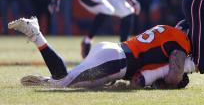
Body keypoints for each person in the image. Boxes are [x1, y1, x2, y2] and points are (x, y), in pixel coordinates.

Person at [8, 16, 194, 89]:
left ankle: (46, 81)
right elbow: (168, 73)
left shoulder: (164, 28)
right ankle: (36, 33)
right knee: (63, 82)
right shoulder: (180, 38)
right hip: (117, 61)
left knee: (75, 83)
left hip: (110, 50)